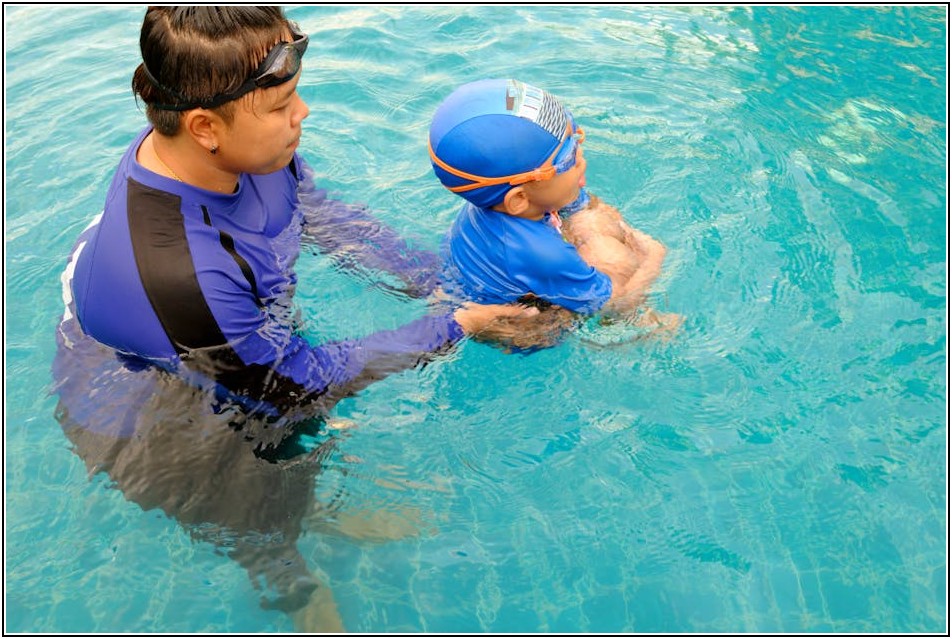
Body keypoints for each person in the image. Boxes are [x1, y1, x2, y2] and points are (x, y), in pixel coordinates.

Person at [52, 7, 536, 633]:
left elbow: (320, 214)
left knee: (292, 433)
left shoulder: (242, 153)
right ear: (204, 127)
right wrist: (458, 325)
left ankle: (315, 514)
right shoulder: (181, 274)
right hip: (142, 404)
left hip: (232, 339)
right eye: (281, 108)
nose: (302, 114)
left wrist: (444, 287)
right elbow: (290, 383)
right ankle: (284, 576)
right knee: (249, 499)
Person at [428, 78, 681, 349]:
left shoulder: (508, 202)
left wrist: (605, 228)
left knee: (596, 225)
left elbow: (586, 205)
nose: (582, 158)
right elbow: (611, 304)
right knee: (647, 316)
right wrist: (654, 258)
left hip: (466, 280)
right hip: (507, 319)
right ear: (519, 199)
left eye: (575, 139)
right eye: (569, 159)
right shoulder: (541, 252)